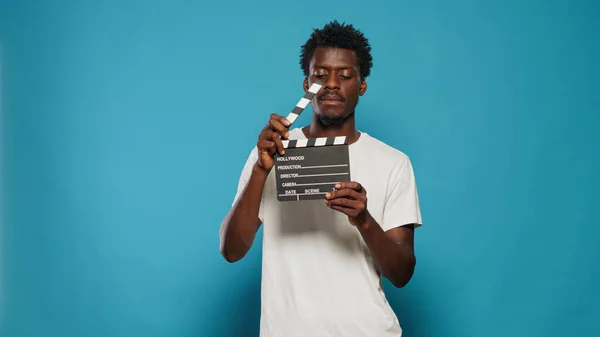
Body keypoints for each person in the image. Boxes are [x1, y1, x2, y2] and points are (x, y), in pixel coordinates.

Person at [219, 20, 422, 337]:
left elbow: (401, 272)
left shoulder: (393, 163)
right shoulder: (272, 152)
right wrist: (261, 170)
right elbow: (231, 250)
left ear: (361, 85)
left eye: (345, 76)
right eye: (320, 75)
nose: (331, 84)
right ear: (306, 84)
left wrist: (364, 219)